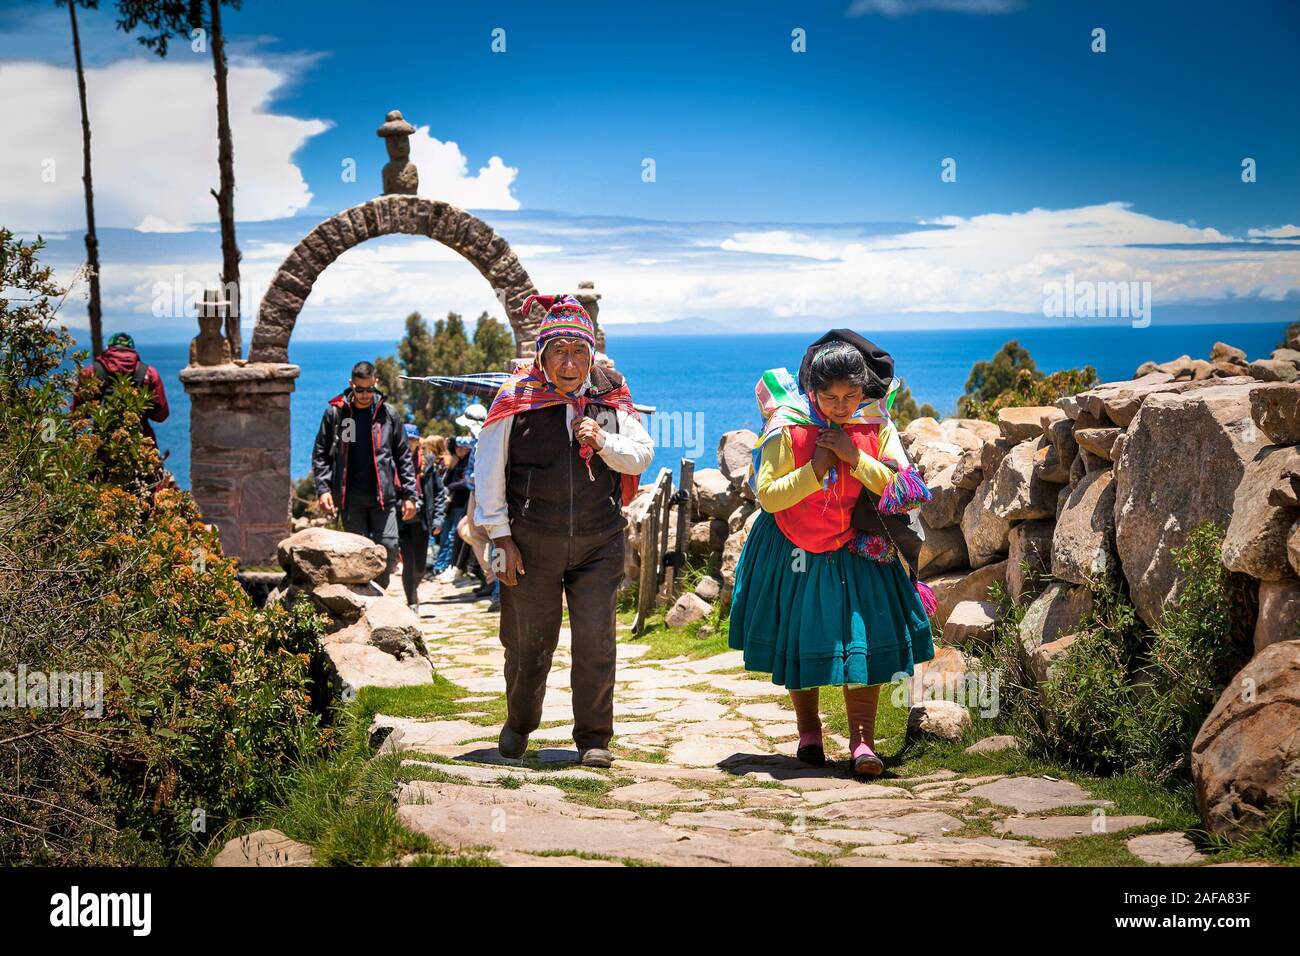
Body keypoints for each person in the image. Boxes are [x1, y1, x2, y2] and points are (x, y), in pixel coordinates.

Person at [727, 330, 936, 779]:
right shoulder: (788, 426)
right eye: (830, 396)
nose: (841, 405)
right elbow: (769, 497)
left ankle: (863, 741)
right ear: (812, 391)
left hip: (859, 543)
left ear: (864, 390)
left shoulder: (876, 426)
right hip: (791, 543)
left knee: (861, 635)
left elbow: (903, 489)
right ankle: (809, 732)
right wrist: (816, 468)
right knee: (800, 633)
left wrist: (852, 456)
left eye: (850, 395)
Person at [474, 294, 653, 769]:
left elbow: (641, 455)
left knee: (596, 642)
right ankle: (519, 723)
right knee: (528, 643)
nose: (569, 363)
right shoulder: (516, 399)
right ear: (543, 355)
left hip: (600, 541)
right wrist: (501, 539)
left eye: (578, 352)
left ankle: (594, 737)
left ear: (591, 355)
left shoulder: (610, 394)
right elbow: (489, 470)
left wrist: (603, 440)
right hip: (531, 544)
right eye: (559, 352)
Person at [311, 361, 417, 590]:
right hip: (351, 501)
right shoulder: (337, 413)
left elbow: (403, 456)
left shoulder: (388, 414)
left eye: (369, 389)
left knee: (388, 547)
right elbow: (321, 454)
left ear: (376, 383)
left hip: (384, 499)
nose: (365, 395)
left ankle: (380, 594)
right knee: (357, 556)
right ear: (351, 385)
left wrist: (410, 495)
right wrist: (323, 490)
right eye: (360, 389)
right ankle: (364, 604)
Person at [75, 331, 170, 446]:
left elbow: (77, 413)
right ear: (132, 349)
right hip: (140, 443)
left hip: (103, 443)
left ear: (108, 348)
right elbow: (161, 416)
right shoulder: (149, 373)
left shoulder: (91, 372)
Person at [397, 423, 431, 613]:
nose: (409, 443)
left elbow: (438, 493)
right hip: (401, 521)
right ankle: (412, 601)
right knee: (408, 563)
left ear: (418, 441)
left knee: (420, 567)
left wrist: (439, 520)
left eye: (412, 439)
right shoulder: (394, 463)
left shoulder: (428, 463)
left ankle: (412, 590)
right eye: (406, 439)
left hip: (422, 521)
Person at [435, 437, 472, 582]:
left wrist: (450, 487)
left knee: (453, 537)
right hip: (452, 505)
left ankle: (452, 566)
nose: (458, 449)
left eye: (462, 447)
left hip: (463, 504)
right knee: (446, 537)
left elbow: (466, 482)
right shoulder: (457, 462)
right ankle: (444, 566)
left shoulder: (469, 461)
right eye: (457, 447)